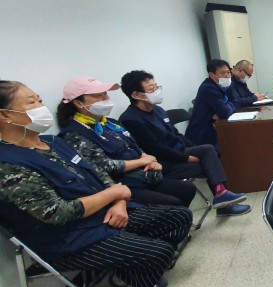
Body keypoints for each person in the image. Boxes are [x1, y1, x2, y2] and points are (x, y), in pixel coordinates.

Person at [0, 81, 190, 287]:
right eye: (31, 102)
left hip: (105, 214)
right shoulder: (8, 163)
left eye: (39, 99)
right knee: (160, 251)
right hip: (69, 237)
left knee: (179, 217)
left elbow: (98, 174)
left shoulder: (52, 142)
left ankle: (138, 273)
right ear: (5, 115)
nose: (41, 106)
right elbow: (57, 212)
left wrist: (119, 201)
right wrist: (114, 194)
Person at [118, 70, 251, 216]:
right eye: (152, 89)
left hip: (179, 151)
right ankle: (224, 203)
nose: (157, 91)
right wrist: (187, 158)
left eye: (157, 87)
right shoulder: (131, 119)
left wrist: (195, 149)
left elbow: (176, 135)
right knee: (210, 163)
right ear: (137, 95)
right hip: (162, 163)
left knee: (210, 150)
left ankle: (222, 195)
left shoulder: (158, 110)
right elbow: (156, 149)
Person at [56, 76, 196, 207]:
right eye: (98, 96)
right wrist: (142, 162)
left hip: (143, 175)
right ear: (78, 103)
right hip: (120, 185)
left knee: (187, 189)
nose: (105, 98)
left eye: (105, 94)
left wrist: (149, 159)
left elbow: (134, 146)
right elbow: (103, 166)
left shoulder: (111, 123)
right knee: (173, 203)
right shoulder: (73, 133)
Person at [186, 59, 237, 147]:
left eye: (228, 72)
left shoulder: (224, 85)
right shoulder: (209, 88)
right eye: (222, 73)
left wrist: (227, 107)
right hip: (202, 135)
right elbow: (225, 112)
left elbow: (236, 101)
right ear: (211, 75)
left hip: (215, 127)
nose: (227, 76)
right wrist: (229, 107)